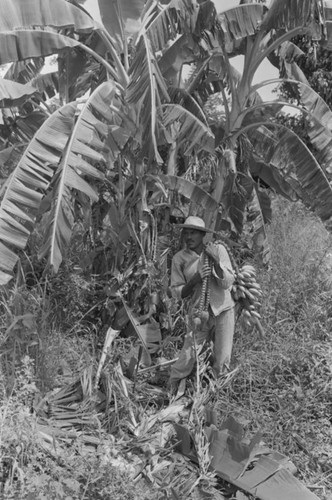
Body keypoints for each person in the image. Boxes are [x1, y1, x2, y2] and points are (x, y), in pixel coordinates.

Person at [169, 216, 235, 386]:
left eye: (193, 233)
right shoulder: (179, 259)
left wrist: (217, 262)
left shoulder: (217, 249)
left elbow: (227, 282)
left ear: (202, 235)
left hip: (223, 309)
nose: (189, 237)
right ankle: (173, 385)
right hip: (199, 312)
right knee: (188, 354)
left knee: (222, 357)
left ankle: (216, 392)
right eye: (186, 233)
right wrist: (194, 280)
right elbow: (177, 292)